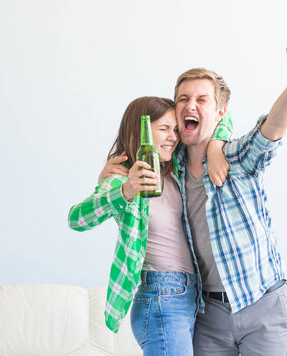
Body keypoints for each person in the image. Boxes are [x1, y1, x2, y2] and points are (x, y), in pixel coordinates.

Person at [101, 33, 287, 355]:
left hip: (261, 302)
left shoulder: (236, 159)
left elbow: (273, 127)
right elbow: (134, 151)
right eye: (182, 99)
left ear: (220, 113)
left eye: (201, 100)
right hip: (209, 313)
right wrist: (109, 175)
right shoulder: (166, 168)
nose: (190, 105)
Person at [68, 96, 232, 356]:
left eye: (175, 130)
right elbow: (76, 219)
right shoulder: (122, 179)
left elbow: (222, 120)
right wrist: (124, 190)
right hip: (161, 295)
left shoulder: (174, 170)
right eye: (164, 129)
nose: (173, 137)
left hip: (191, 295)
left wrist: (214, 148)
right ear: (141, 130)